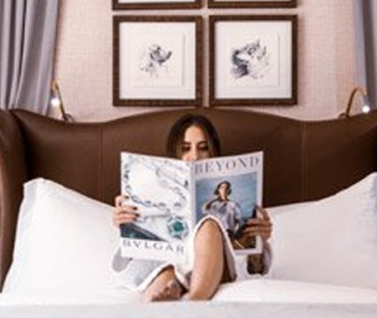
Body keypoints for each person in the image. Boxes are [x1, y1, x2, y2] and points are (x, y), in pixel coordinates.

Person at [111, 114, 273, 302]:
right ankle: (156, 309)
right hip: (172, 263)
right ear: (175, 153)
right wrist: (127, 225)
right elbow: (141, 259)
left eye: (203, 148)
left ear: (213, 152)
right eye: (186, 148)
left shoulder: (234, 205)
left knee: (209, 225)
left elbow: (251, 265)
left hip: (218, 265)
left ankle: (194, 299)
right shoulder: (160, 195)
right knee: (166, 273)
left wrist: (258, 245)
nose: (194, 156)